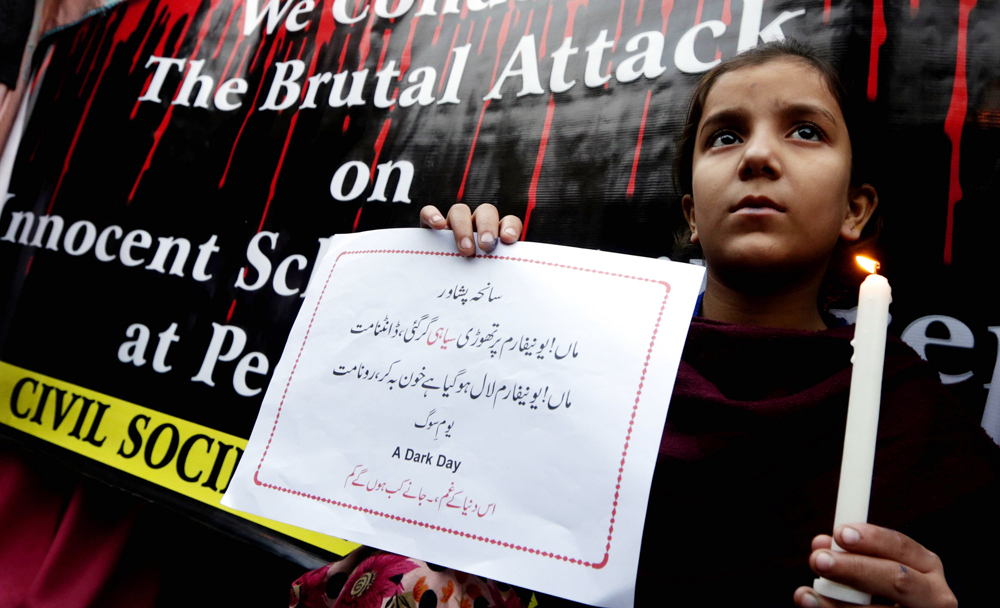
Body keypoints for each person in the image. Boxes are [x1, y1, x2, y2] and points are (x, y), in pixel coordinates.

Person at [293, 40, 1000, 607]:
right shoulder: (579, 364)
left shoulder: (915, 426)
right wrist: (463, 292)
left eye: (806, 131)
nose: (758, 155)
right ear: (691, 215)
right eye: (724, 137)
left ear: (856, 210)